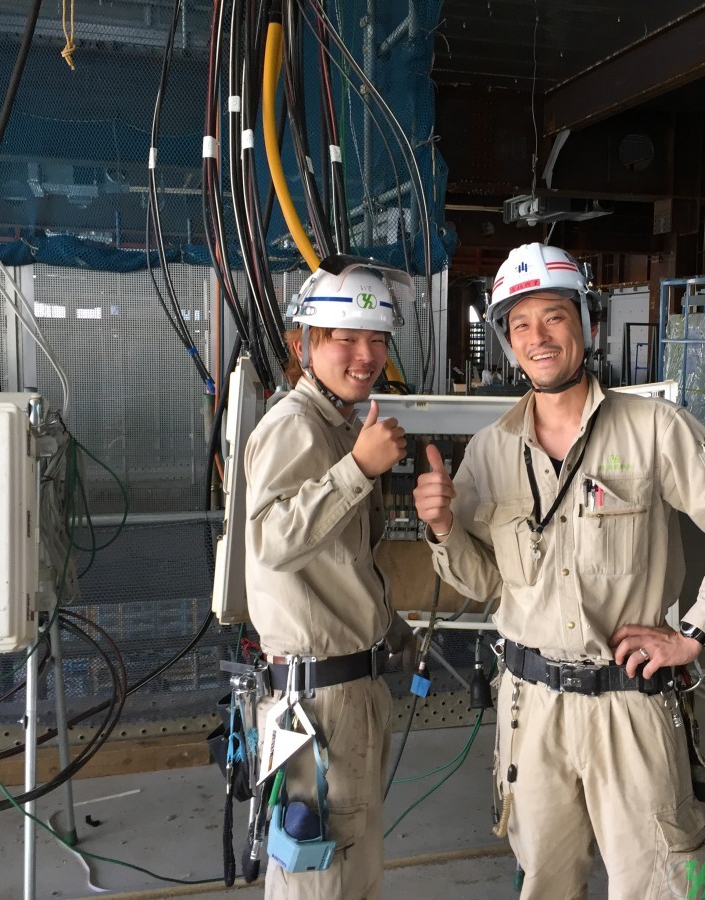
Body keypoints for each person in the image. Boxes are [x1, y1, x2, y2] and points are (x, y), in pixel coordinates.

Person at [413, 242, 705, 900]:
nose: (538, 337)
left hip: (630, 706)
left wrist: (694, 634)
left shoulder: (656, 429)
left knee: (668, 883)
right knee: (546, 882)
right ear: (507, 341)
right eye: (521, 324)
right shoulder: (490, 452)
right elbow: (487, 583)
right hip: (532, 711)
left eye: (554, 317)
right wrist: (443, 527)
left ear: (586, 324)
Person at [244, 254, 417, 900]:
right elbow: (271, 542)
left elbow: (340, 560)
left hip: (348, 689)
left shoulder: (339, 425)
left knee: (351, 871)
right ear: (304, 345)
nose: (366, 356)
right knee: (318, 876)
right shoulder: (294, 425)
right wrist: (359, 470)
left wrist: (389, 626)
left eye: (377, 339)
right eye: (346, 338)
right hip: (317, 701)